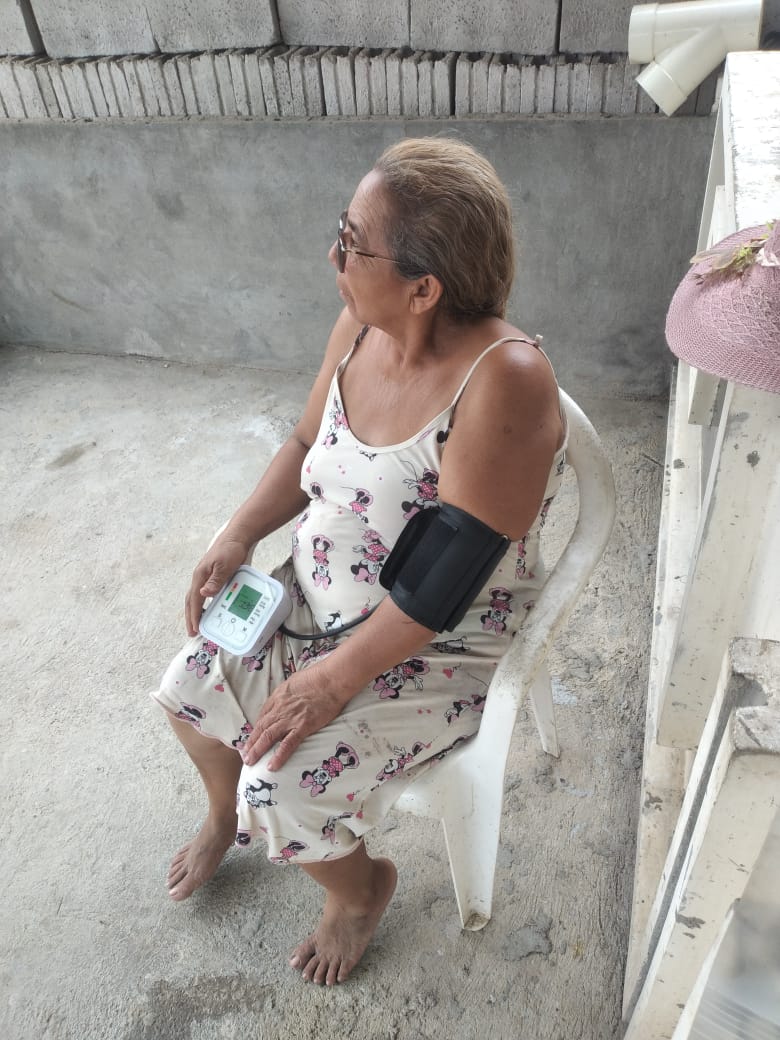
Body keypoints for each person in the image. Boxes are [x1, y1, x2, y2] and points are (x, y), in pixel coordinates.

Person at [152, 136, 567, 986]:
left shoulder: (505, 381)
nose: (333, 258)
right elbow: (307, 440)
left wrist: (331, 681)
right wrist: (238, 535)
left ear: (424, 287)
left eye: (352, 242)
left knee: (282, 787)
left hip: (431, 639)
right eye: (340, 231)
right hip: (317, 594)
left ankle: (360, 890)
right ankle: (222, 814)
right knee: (188, 690)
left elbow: (441, 585)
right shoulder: (361, 324)